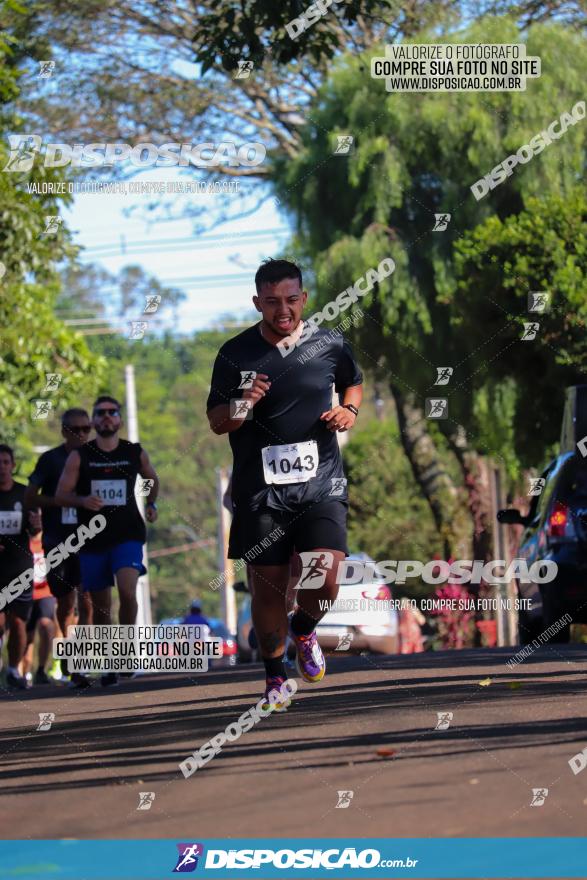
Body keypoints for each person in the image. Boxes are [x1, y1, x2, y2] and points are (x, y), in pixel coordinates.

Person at [206, 258, 363, 710]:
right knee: (268, 594)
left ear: (304, 299)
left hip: (321, 487)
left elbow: (352, 383)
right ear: (257, 302)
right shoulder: (234, 355)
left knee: (326, 576)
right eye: (272, 302)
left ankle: (306, 627)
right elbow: (219, 423)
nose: (283, 310)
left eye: (291, 300)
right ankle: (275, 675)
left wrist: (348, 412)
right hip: (260, 494)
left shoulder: (329, 343)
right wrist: (243, 402)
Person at [55, 395, 159, 686]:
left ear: (120, 420)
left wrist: (151, 503)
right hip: (92, 539)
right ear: (93, 421)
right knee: (101, 607)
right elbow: (61, 494)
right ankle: (110, 662)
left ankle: (126, 652)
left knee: (127, 591)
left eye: (112, 412)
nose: (106, 417)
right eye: (100, 413)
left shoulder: (133, 452)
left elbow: (152, 479)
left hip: (127, 534)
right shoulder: (81, 456)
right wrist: (82, 499)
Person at [25, 408, 94, 688]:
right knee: (65, 603)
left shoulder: (96, 457)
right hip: (57, 540)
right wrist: (62, 501)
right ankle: (68, 647)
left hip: (91, 538)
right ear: (64, 430)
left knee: (89, 600)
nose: (81, 434)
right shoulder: (50, 460)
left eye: (85, 429)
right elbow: (31, 496)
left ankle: (81, 662)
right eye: (75, 429)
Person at [0, 444, 42, 689]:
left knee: (18, 622)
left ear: (12, 466)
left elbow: (35, 530)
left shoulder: (24, 494)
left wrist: (36, 524)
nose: (1, 467)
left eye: (5, 462)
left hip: (19, 567)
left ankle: (14, 670)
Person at [21, 532, 57, 685]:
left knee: (46, 625)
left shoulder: (49, 540)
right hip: (25, 594)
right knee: (26, 637)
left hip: (46, 593)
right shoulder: (21, 540)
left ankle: (41, 669)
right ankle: (22, 674)